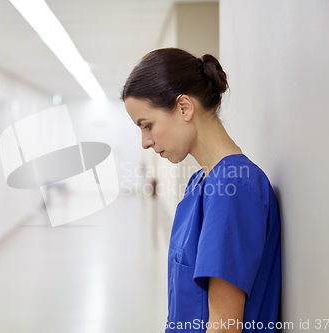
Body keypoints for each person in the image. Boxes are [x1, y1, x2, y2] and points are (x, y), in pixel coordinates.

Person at [120, 48, 282, 332]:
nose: (145, 142)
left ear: (184, 107)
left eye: (147, 125)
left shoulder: (232, 190)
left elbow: (224, 326)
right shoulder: (202, 182)